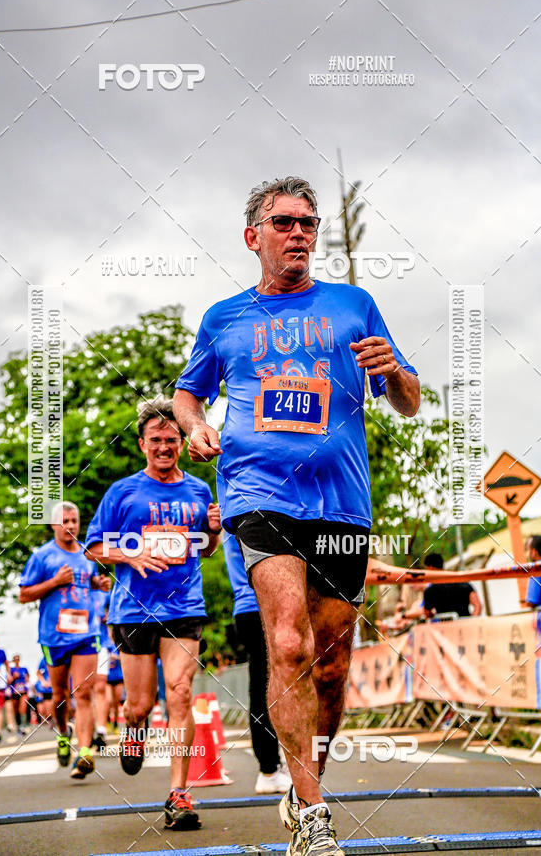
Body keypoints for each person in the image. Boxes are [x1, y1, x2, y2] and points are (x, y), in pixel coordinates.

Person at [173, 177, 420, 855]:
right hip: (258, 490)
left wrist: (394, 372)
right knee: (288, 643)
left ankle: (304, 778)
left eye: (309, 224)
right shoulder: (224, 318)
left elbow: (408, 400)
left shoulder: (352, 306)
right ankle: (314, 818)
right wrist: (194, 427)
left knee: (334, 666)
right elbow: (187, 395)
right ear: (254, 235)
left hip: (341, 500)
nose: (300, 234)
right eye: (284, 223)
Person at [85, 397, 222, 831]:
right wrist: (131, 551)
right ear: (143, 444)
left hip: (184, 606)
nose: (164, 447)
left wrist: (214, 532)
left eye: (171, 440)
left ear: (181, 443)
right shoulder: (123, 492)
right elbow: (93, 547)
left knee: (180, 691)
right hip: (132, 611)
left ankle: (179, 794)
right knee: (140, 705)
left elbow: (206, 548)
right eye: (155, 440)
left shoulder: (200, 491)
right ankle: (133, 730)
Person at [19, 501, 110, 779]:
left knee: (83, 692)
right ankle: (62, 735)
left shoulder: (87, 554)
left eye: (74, 521)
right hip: (54, 636)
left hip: (86, 633)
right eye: (64, 522)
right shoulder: (43, 556)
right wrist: (54, 582)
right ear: (53, 525)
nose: (70, 526)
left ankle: (84, 753)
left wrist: (98, 585)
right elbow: (24, 594)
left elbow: (87, 581)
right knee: (60, 697)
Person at [223, 532, 290, 794]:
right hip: (259, 606)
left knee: (270, 686)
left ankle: (274, 766)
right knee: (266, 688)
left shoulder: (234, 511)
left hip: (254, 607)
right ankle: (269, 769)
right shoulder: (248, 511)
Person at [421, 553, 482, 619]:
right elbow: (478, 606)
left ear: (431, 568)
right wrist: (471, 620)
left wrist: (433, 614)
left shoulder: (430, 591)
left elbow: (427, 613)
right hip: (465, 625)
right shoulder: (463, 583)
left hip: (445, 627)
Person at [92, 582, 112, 751]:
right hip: (78, 646)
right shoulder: (72, 591)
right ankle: (87, 727)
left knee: (100, 686)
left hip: (100, 645)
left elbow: (116, 606)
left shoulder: (103, 593)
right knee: (82, 690)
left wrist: (108, 615)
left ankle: (101, 730)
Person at [9, 654, 31, 735]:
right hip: (14, 692)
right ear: (13, 660)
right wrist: (14, 677)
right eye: (15, 659)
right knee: (16, 710)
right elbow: (8, 681)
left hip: (23, 692)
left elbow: (28, 678)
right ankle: (18, 725)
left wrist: (26, 680)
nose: (17, 660)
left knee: (23, 709)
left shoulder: (24, 669)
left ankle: (23, 725)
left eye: (18, 659)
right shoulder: (11, 670)